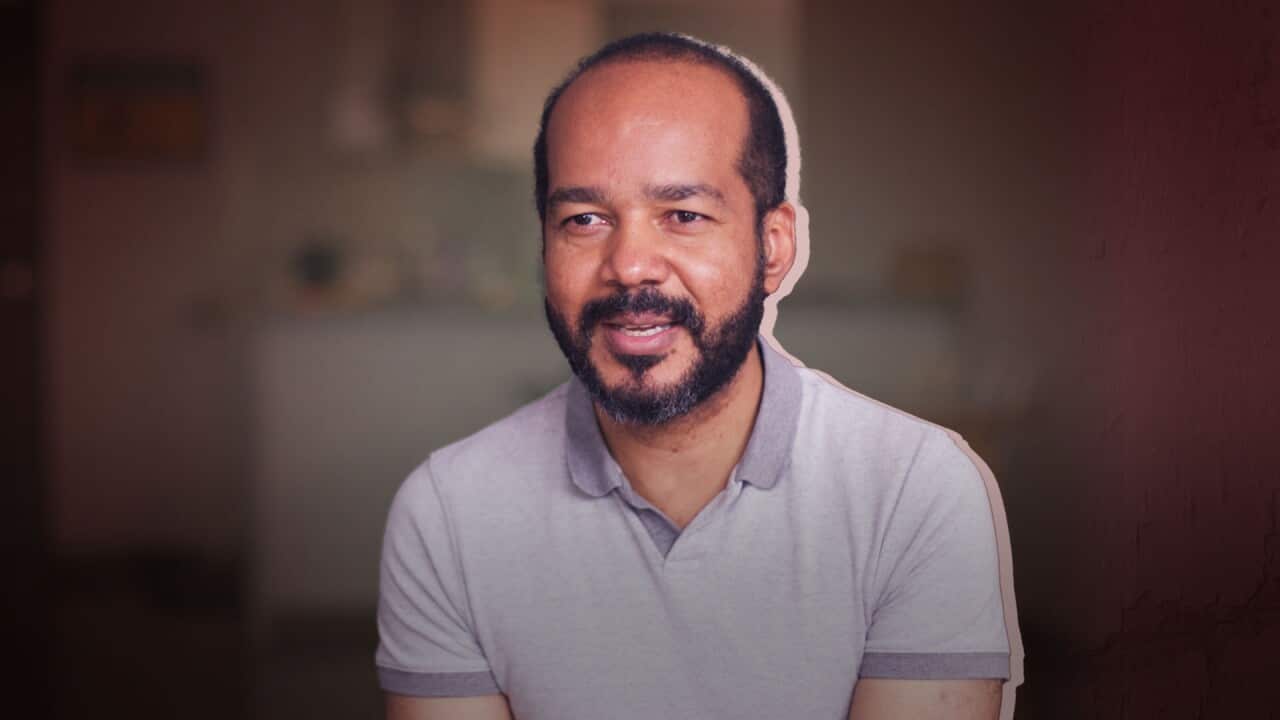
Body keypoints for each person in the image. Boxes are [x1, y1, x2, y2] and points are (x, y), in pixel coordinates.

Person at [376, 32, 1021, 720]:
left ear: (774, 248)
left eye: (683, 216)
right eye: (584, 219)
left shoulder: (916, 492)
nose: (629, 264)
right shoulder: (448, 514)